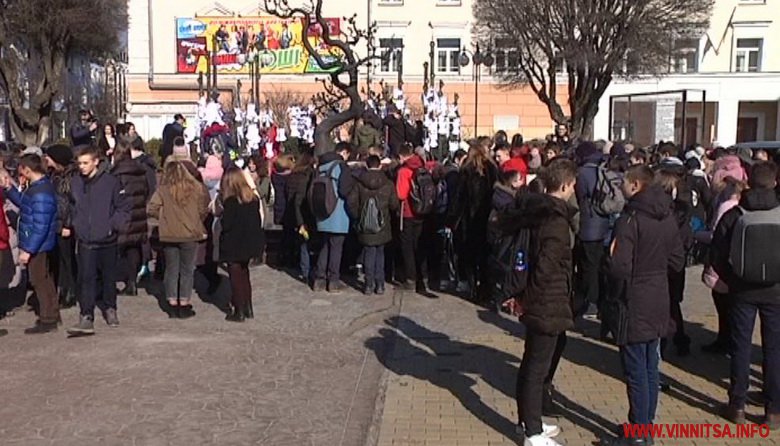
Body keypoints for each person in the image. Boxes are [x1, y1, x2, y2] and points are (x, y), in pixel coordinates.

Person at [498, 158, 578, 446]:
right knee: (536, 367)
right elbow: (545, 266)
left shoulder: (541, 212)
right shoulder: (555, 220)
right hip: (547, 299)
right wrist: (529, 299)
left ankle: (528, 422)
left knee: (534, 363)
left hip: (543, 298)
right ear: (566, 185)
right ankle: (531, 432)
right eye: (573, 186)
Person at [602, 165, 685, 446]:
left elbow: (619, 266)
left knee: (636, 369)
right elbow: (677, 261)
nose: (621, 187)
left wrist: (611, 260)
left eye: (624, 182)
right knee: (650, 367)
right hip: (659, 296)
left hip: (634, 299)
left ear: (636, 185)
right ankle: (644, 426)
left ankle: (639, 434)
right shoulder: (668, 216)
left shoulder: (630, 219)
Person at [711, 162, 780, 428]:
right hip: (776, 291)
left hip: (741, 289)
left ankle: (737, 405)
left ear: (749, 181)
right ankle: (773, 410)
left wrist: (731, 279)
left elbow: (717, 252)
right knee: (774, 349)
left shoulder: (736, 213)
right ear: (774, 182)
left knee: (740, 346)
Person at [66, 146, 131, 336]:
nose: (82, 167)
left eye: (86, 163)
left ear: (96, 162)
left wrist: (113, 225)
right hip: (86, 240)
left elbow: (124, 207)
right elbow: (72, 206)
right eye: (79, 163)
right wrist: (74, 224)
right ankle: (86, 315)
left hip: (108, 239)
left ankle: (110, 308)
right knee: (86, 278)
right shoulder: (76, 182)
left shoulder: (111, 182)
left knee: (109, 277)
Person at [2, 154, 59, 334]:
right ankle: (52, 313)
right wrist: (9, 188)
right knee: (44, 278)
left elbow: (40, 226)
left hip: (38, 245)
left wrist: (28, 250)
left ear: (27, 170)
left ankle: (48, 318)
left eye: (21, 169)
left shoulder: (41, 192)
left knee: (39, 280)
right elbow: (24, 204)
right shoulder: (37, 188)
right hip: (37, 243)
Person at [147, 161, 209, 319]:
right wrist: (196, 219)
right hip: (190, 233)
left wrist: (163, 219)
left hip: (169, 233)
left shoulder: (163, 190)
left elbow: (151, 208)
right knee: (187, 270)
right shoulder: (196, 188)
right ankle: (185, 302)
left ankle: (172, 302)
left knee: (171, 269)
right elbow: (204, 208)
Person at [449, 144, 499, 300]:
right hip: (487, 218)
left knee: (470, 254)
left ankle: (472, 286)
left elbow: (459, 197)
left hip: (469, 220)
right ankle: (485, 288)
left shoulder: (466, 171)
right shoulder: (492, 170)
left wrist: (452, 219)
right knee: (486, 255)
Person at [347, 155, 399, 295]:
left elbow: (351, 203)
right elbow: (394, 204)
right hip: (383, 224)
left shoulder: (359, 183)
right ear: (380, 165)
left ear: (367, 165)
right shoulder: (388, 183)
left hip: (365, 223)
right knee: (380, 253)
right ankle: (380, 284)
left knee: (369, 252)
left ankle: (368, 285)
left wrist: (358, 217)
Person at [219, 167, 265, 322]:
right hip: (250, 241)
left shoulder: (231, 202)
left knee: (236, 276)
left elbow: (227, 224)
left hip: (234, 242)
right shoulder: (252, 198)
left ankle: (239, 311)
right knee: (245, 274)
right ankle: (248, 307)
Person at [311, 143, 354, 292]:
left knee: (325, 246)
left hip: (322, 212)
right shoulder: (341, 167)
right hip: (338, 213)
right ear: (344, 152)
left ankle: (319, 279)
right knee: (336, 247)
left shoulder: (320, 167)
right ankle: (333, 280)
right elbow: (344, 191)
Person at [110, 139, 150, 297]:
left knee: (117, 248)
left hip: (122, 213)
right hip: (138, 213)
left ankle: (112, 281)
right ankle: (132, 282)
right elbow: (146, 191)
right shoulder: (140, 171)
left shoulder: (116, 173)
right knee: (133, 247)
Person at [573, 141, 608, 317]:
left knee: (588, 266)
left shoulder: (582, 173)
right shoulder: (602, 169)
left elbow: (579, 196)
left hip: (588, 224)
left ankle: (590, 302)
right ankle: (598, 300)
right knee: (597, 264)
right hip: (603, 221)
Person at [44, 144, 78, 309]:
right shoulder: (52, 175)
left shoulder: (70, 177)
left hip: (64, 224)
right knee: (57, 260)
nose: (46, 159)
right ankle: (61, 291)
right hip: (54, 222)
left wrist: (68, 225)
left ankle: (69, 292)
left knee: (67, 260)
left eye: (49, 157)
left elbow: (72, 204)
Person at [395, 145, 427, 292]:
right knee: (419, 245)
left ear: (402, 157)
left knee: (407, 246)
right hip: (422, 211)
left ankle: (410, 279)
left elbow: (401, 194)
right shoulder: (422, 167)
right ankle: (423, 277)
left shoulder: (403, 171)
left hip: (407, 212)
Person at [286, 152, 316, 282]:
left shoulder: (293, 175)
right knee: (306, 243)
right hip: (305, 214)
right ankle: (307, 270)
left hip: (293, 214)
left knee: (302, 242)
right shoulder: (308, 176)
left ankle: (304, 269)